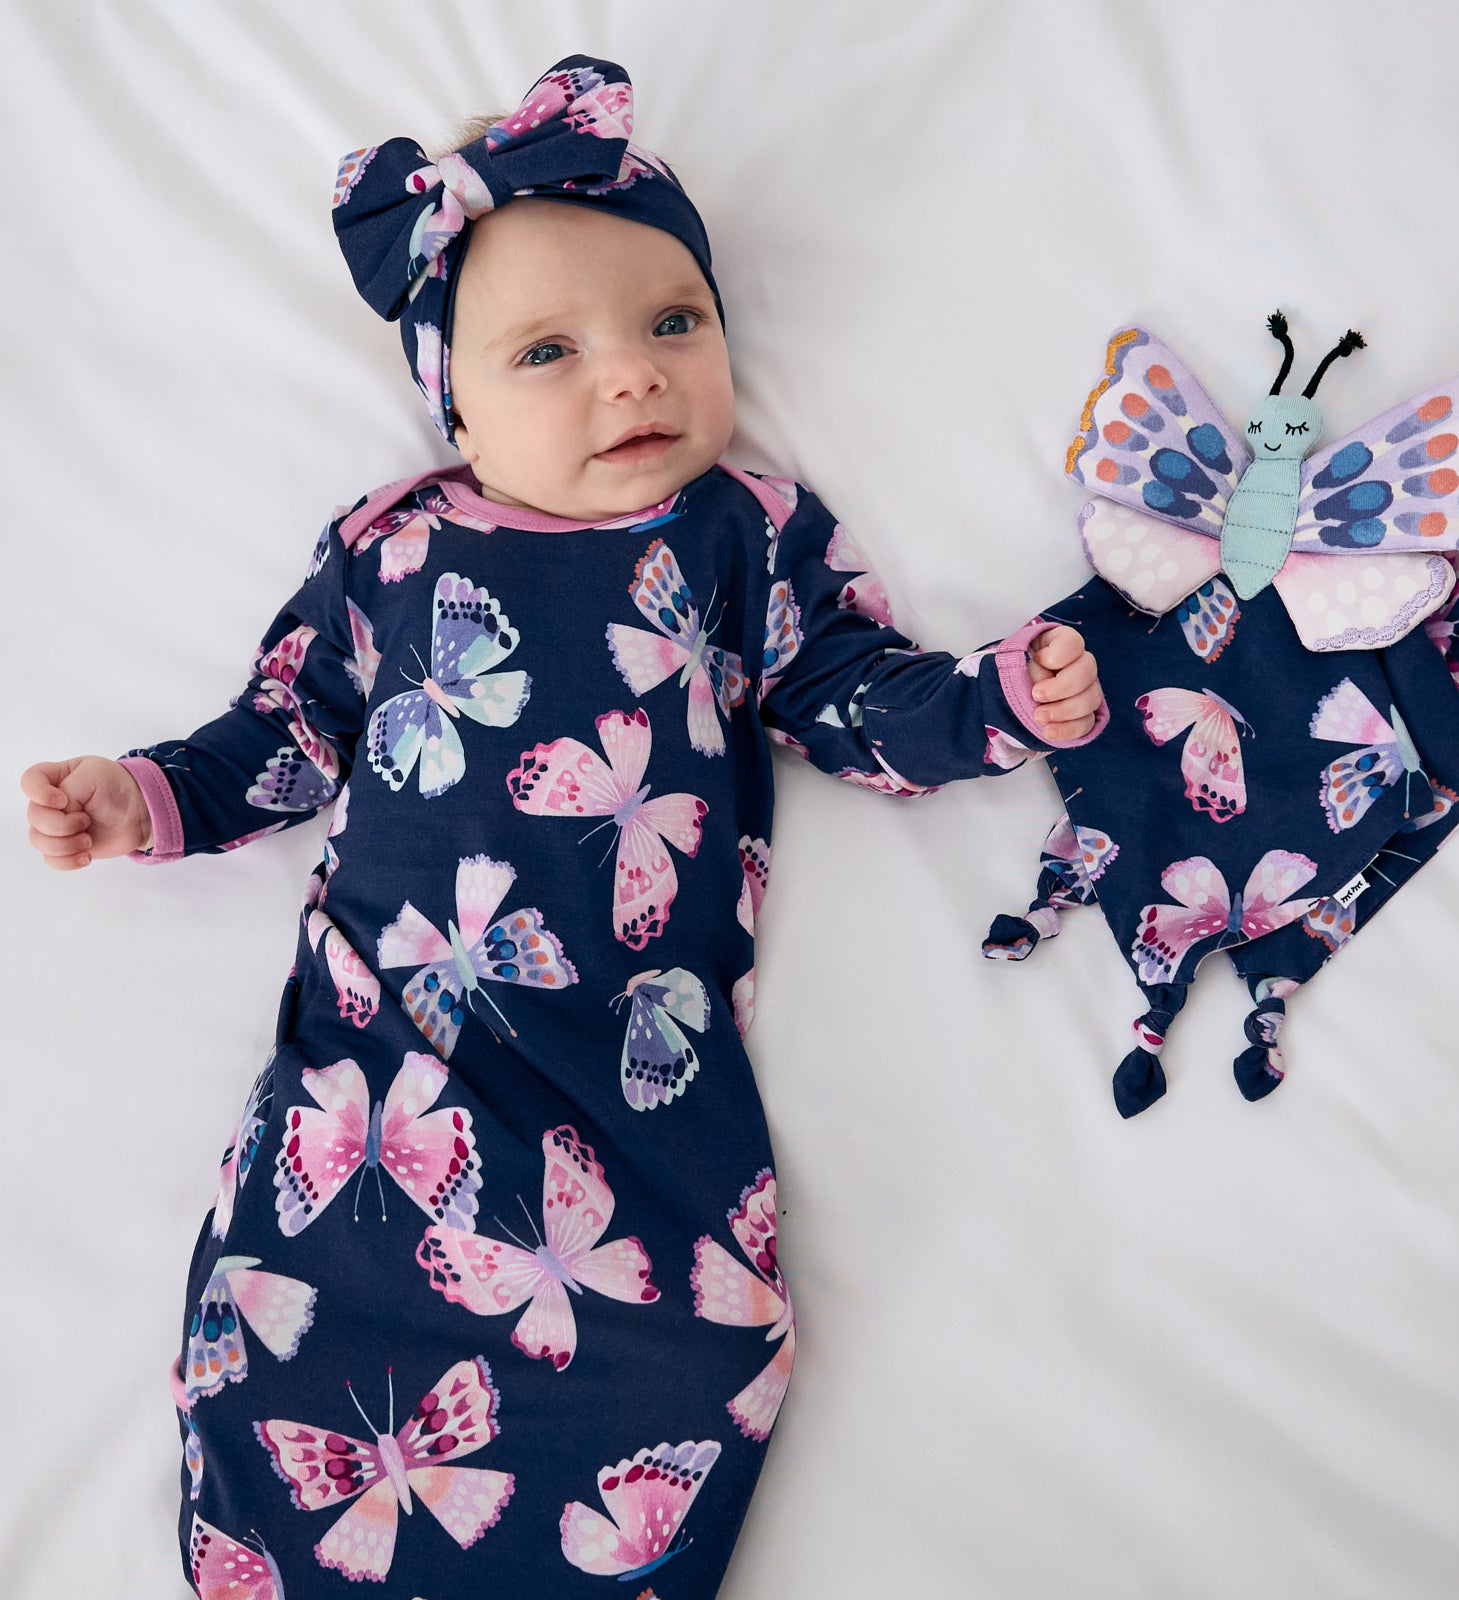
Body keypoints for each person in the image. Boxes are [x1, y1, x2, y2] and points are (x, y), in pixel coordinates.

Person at [19, 56, 1105, 1599]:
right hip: (389, 1050)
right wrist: (144, 797)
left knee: (697, 1344)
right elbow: (284, 732)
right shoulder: (390, 550)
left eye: (675, 324)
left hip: (633, 1065)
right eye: (550, 351)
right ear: (454, 401)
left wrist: (998, 700)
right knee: (304, 1315)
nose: (635, 378)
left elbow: (853, 698)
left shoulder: (743, 533)